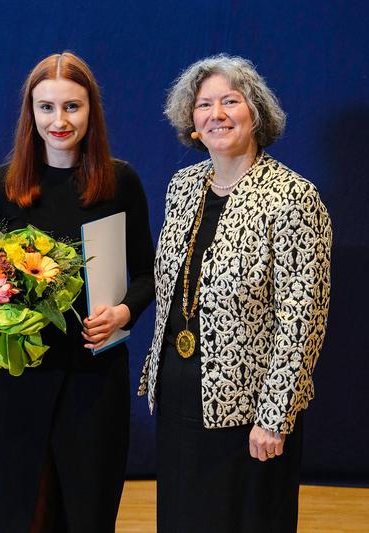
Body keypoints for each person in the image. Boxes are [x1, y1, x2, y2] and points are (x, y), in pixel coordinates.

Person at [138, 54, 332, 533]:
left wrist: (275, 415)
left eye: (231, 100)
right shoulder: (182, 186)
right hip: (181, 395)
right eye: (204, 104)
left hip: (250, 411)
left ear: (256, 113)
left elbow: (302, 319)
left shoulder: (292, 196)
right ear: (192, 121)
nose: (216, 114)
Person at [0, 52, 155, 532]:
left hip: (94, 381)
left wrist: (122, 313)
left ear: (91, 110)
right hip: (20, 382)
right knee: (23, 514)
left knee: (89, 516)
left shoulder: (121, 183)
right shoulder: (0, 189)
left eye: (72, 107)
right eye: (47, 107)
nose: (59, 120)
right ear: (30, 113)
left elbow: (147, 273)